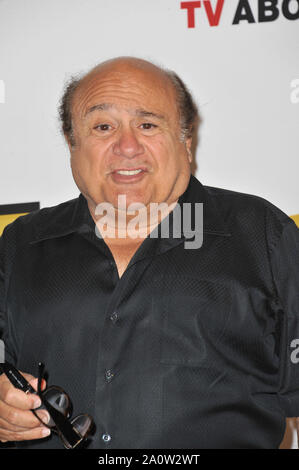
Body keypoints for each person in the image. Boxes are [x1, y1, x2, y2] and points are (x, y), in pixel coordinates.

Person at [0, 56, 298, 449]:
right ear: (72, 144)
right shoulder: (20, 244)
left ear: (186, 141)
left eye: (148, 124)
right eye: (103, 126)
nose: (127, 146)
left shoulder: (262, 235)